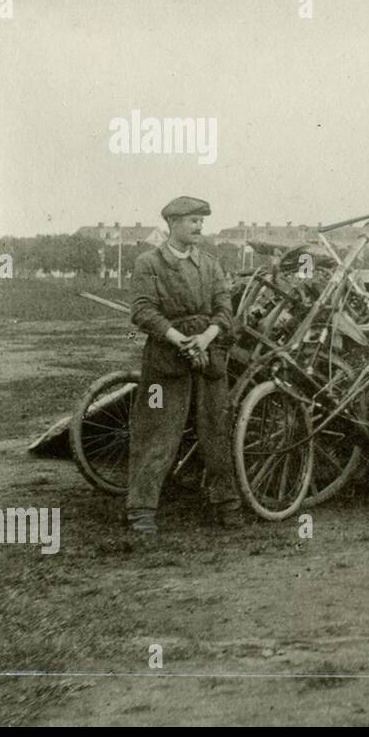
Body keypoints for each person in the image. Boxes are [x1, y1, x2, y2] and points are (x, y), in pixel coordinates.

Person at [126, 196, 244, 535]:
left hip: (209, 358)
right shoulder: (149, 263)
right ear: (173, 223)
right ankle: (142, 510)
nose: (199, 227)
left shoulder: (209, 264)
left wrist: (206, 338)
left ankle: (227, 504)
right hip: (166, 360)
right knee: (156, 432)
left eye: (201, 221)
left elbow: (224, 309)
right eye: (192, 221)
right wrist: (180, 340)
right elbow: (143, 311)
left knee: (216, 431)